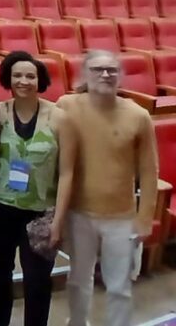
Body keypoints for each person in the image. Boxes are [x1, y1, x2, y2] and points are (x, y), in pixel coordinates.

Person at [59, 50, 158, 326]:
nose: (105, 74)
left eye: (112, 70)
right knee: (78, 279)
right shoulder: (66, 106)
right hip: (78, 212)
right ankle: (77, 322)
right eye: (97, 69)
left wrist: (144, 218)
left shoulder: (138, 115)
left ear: (120, 76)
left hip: (121, 216)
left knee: (119, 286)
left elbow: (149, 172)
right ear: (84, 74)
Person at [0, 51, 76, 326]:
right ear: (8, 79)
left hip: (41, 212)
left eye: (30, 76)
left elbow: (67, 172)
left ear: (40, 79)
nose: (24, 81)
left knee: (37, 280)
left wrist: (59, 221)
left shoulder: (60, 118)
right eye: (17, 75)